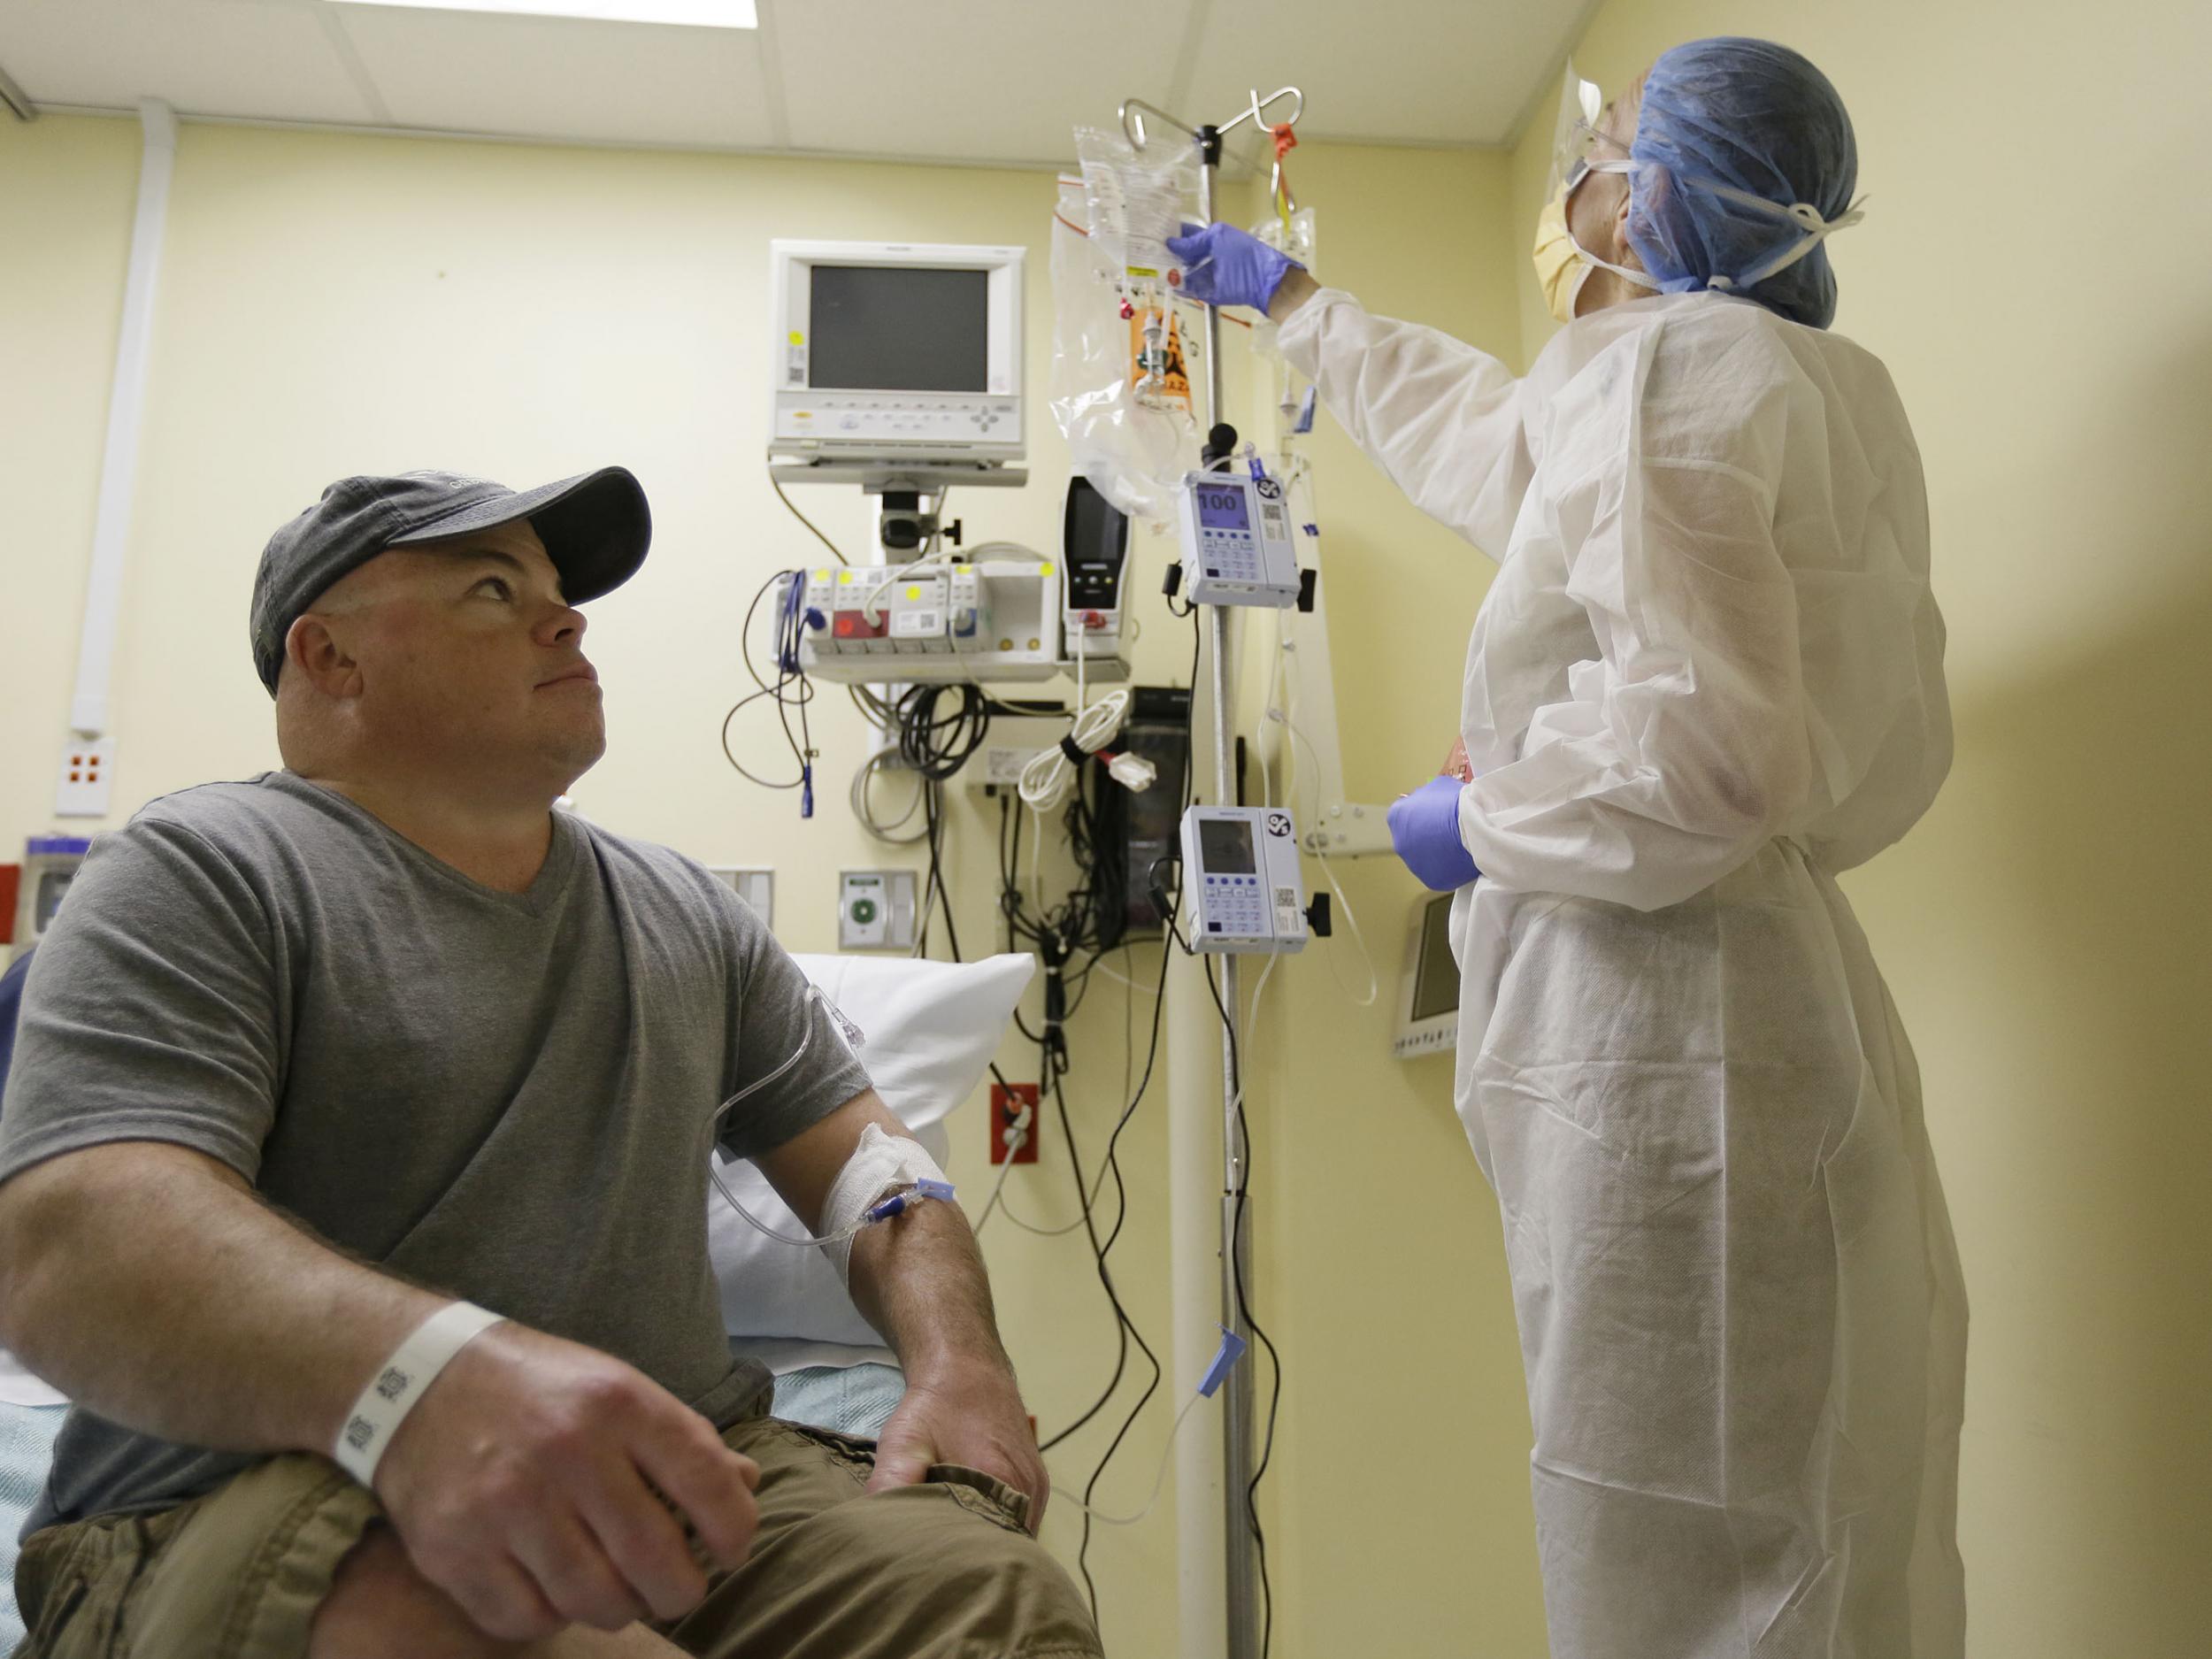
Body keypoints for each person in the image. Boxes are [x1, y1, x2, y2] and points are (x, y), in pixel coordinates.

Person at [0, 468, 1102, 1659]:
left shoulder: (683, 912)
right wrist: (428, 1380)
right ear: (330, 660)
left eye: (557, 589)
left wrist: (959, 1364)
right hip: (266, 1492)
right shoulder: (202, 873)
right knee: (437, 1618)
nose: (566, 616)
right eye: (491, 587)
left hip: (692, 1483)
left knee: (990, 1605)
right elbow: (74, 1241)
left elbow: (872, 1170)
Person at [1171, 35, 1966, 1659]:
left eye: (1596, 160)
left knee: (1682, 1545)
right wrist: (1304, 311)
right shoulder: (1794, 381)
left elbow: (1703, 754)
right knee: (1829, 1524)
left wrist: (1477, 820)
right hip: (1768, 1010)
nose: (1573, 195)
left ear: (1659, 191)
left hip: (1677, 1040)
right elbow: (1515, 456)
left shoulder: (1665, 378)